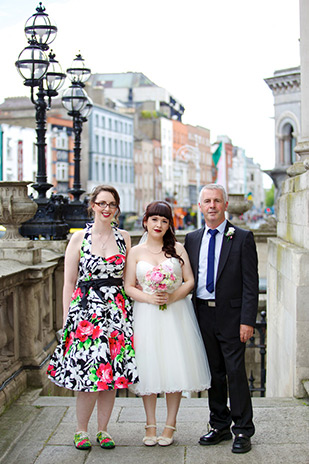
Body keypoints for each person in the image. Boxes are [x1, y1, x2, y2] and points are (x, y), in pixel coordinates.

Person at [47, 185, 138, 450]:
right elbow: (69, 283)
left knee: (111, 374)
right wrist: (67, 320)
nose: (107, 208)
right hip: (86, 314)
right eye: (102, 203)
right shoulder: (78, 239)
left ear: (117, 208)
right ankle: (81, 430)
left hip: (116, 314)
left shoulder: (124, 238)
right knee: (88, 374)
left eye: (112, 204)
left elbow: (128, 279)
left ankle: (103, 430)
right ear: (93, 205)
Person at [124, 201, 211, 447]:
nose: (159, 225)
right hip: (146, 314)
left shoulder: (178, 249)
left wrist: (172, 296)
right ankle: (150, 424)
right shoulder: (136, 252)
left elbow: (190, 281)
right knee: (149, 366)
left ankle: (170, 425)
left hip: (175, 313)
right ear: (145, 221)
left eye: (164, 220)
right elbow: (129, 286)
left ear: (168, 224)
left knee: (175, 366)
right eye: (154, 219)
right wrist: (150, 298)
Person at [184, 184, 259, 454]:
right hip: (202, 313)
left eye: (217, 200)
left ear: (225, 205)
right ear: (200, 206)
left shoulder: (242, 238)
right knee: (213, 373)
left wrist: (247, 320)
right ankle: (219, 425)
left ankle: (242, 430)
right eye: (207, 201)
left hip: (232, 316)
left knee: (235, 373)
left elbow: (251, 284)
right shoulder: (192, 238)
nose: (212, 205)